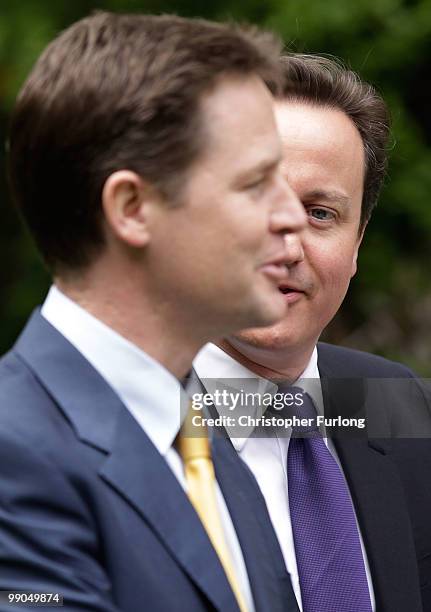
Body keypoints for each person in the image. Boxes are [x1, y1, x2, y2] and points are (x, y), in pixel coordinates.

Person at [0, 13, 308, 612]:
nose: (293, 217)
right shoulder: (14, 453)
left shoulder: (207, 442)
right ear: (132, 208)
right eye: (255, 183)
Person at [194, 54, 431, 612]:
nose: (287, 246)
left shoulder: (400, 407)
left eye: (320, 213)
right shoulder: (75, 424)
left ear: (358, 242)